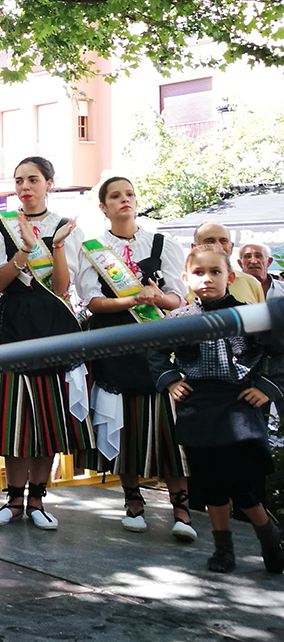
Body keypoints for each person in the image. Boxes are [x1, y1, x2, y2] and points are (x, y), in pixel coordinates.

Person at [148, 244, 284, 574]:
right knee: (209, 481)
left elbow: (279, 352)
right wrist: (170, 380)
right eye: (198, 273)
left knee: (243, 484)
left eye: (215, 272)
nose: (207, 279)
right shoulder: (178, 320)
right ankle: (223, 547)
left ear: (230, 276)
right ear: (185, 278)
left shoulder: (250, 316)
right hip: (198, 406)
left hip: (239, 404)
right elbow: (154, 352)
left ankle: (269, 537)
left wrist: (267, 388)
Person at [76, 176, 193, 539]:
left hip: (157, 345)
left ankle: (182, 506)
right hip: (113, 344)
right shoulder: (92, 248)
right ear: (103, 206)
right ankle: (132, 500)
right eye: (115, 196)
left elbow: (179, 299)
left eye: (129, 194)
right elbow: (91, 301)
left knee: (167, 425)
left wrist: (157, 298)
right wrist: (132, 300)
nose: (124, 200)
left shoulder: (162, 242)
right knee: (122, 418)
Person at [0, 156, 89, 531]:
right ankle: (12, 500)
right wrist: (24, 250)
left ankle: (38, 498)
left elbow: (61, 288)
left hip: (52, 327)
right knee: (13, 418)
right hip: (12, 325)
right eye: (19, 180)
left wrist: (55, 246)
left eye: (34, 179)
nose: (25, 187)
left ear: (49, 184)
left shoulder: (65, 227)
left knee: (47, 417)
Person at [192, 222, 265, 303]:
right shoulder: (183, 287)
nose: (218, 246)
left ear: (231, 247)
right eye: (210, 241)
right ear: (194, 247)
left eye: (223, 241)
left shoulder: (251, 283)